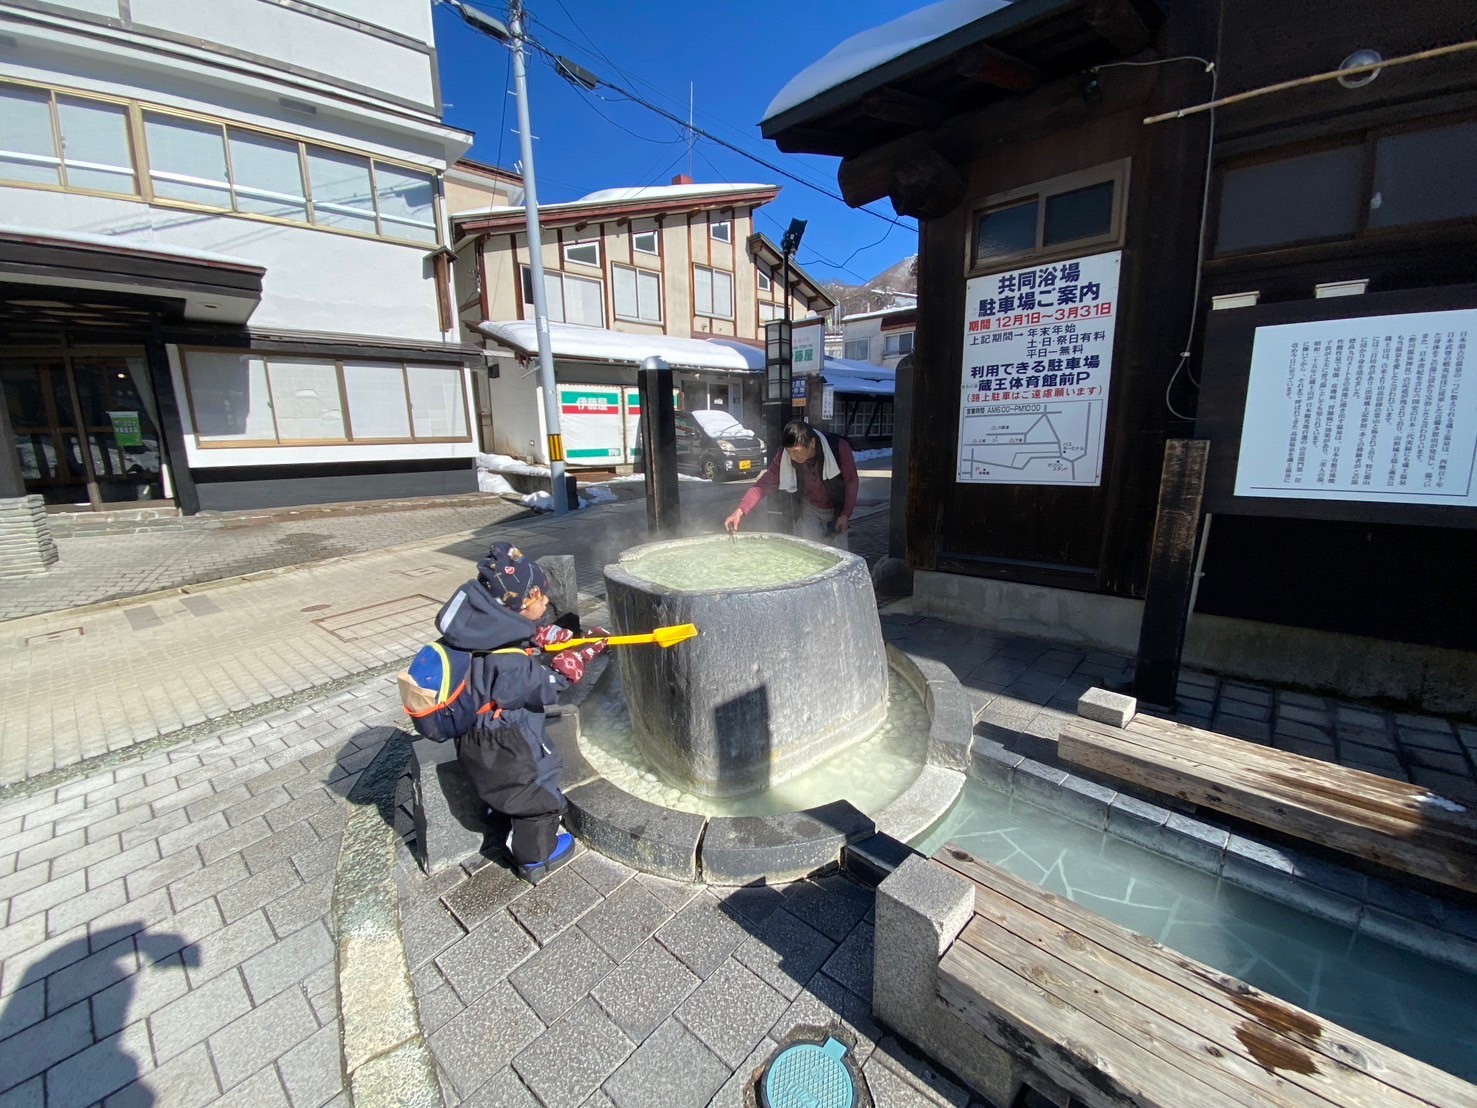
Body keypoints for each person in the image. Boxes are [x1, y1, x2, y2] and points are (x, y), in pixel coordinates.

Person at [398, 542, 607, 883]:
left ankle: (503, 817)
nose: (546, 601)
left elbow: (506, 643)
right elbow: (546, 685)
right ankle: (535, 857)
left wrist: (540, 635)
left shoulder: (474, 632)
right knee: (539, 790)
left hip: (475, 735)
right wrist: (577, 658)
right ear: (521, 604)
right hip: (509, 741)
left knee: (507, 788)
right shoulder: (511, 664)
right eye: (540, 598)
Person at [724, 419, 859, 548]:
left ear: (812, 443)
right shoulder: (784, 456)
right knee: (814, 550)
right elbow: (764, 484)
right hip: (810, 508)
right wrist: (739, 511)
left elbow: (851, 480)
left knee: (839, 550)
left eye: (796, 451)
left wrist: (845, 514)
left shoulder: (838, 448)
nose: (793, 457)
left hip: (836, 508)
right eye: (789, 452)